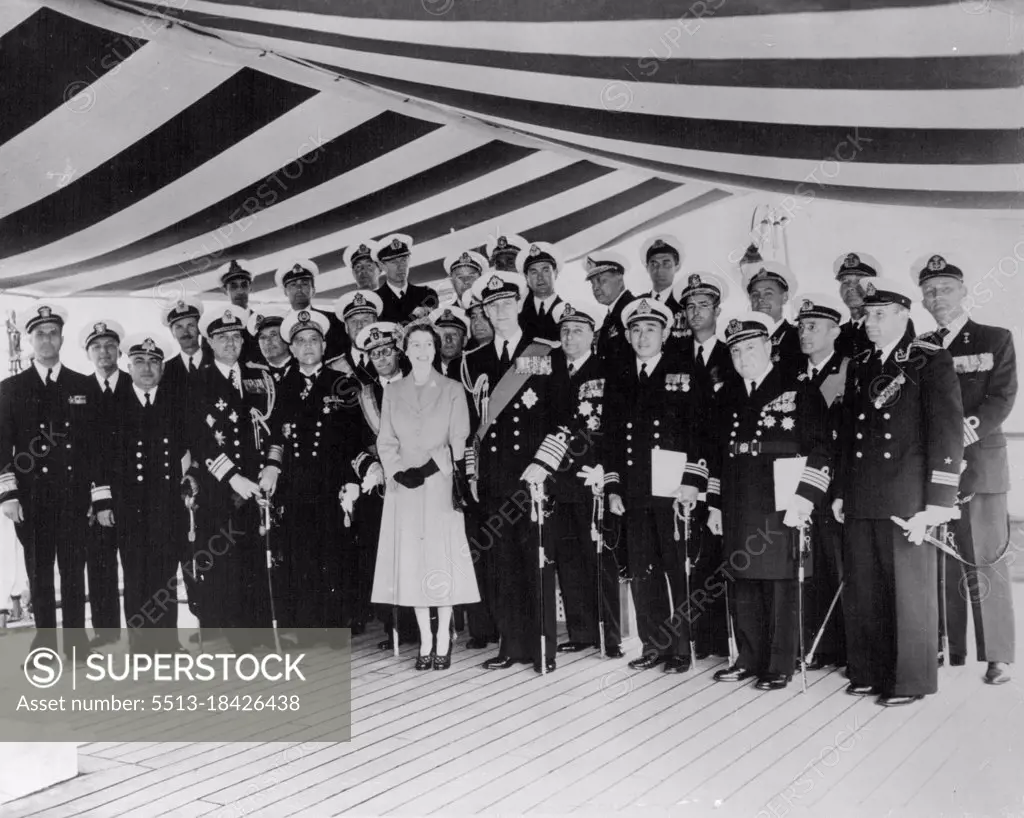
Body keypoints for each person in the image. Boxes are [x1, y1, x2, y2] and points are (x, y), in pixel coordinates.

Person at [833, 277, 963, 706]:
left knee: (908, 593)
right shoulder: (863, 362)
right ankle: (869, 670)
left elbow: (946, 434)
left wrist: (937, 505)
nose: (870, 322)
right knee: (865, 588)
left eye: (880, 314)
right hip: (863, 495)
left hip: (907, 497)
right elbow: (849, 435)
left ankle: (910, 680)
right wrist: (840, 491)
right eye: (868, 314)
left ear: (905, 316)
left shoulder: (929, 360)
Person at [710, 312, 832, 691]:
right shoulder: (727, 393)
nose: (743, 358)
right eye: (735, 352)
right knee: (743, 581)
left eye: (750, 348)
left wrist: (806, 497)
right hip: (738, 502)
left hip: (784, 501)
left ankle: (780, 664)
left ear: (769, 348)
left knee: (781, 583)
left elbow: (822, 449)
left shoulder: (799, 388)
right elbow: (717, 453)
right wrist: (714, 504)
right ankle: (747, 657)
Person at [915, 254, 1016, 685]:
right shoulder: (919, 346)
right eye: (930, 290)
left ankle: (997, 656)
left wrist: (959, 437)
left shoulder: (995, 338)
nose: (937, 296)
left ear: (964, 291)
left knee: (986, 561)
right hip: (935, 472)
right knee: (941, 560)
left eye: (945, 288)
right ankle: (948, 647)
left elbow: (1002, 398)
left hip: (981, 466)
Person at [603, 297, 712, 673]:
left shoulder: (685, 372)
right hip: (634, 491)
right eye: (636, 329)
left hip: (673, 490)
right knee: (642, 571)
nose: (642, 335)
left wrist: (693, 483)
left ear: (665, 333)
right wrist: (613, 487)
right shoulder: (618, 377)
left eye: (650, 328)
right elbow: (611, 439)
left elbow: (702, 432)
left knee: (676, 570)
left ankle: (680, 647)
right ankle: (653, 644)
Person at [461, 270, 559, 673]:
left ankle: (542, 648)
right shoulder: (474, 361)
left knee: (535, 562)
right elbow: (469, 427)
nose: (499, 311)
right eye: (491, 305)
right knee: (502, 566)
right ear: (483, 310)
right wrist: (471, 474)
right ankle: (510, 644)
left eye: (506, 303)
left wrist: (544, 463)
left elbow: (562, 415)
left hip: (532, 476)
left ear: (518, 304)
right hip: (494, 478)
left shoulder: (544, 351)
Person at [372, 323, 479, 670]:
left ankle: (445, 638)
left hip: (438, 486)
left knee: (440, 560)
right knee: (414, 563)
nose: (421, 350)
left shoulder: (451, 389)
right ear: (406, 349)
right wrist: (398, 470)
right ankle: (426, 640)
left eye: (427, 344)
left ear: (435, 349)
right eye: (415, 344)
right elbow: (385, 439)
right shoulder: (393, 391)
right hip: (403, 489)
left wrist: (428, 469)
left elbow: (459, 438)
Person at [522, 302, 624, 659]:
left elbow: (606, 427)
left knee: (598, 559)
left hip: (590, 478)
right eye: (564, 331)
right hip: (555, 481)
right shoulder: (548, 372)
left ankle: (610, 637)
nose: (569, 337)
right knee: (568, 559)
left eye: (577, 330)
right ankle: (581, 632)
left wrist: (606, 471)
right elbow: (538, 421)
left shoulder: (607, 371)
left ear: (592, 336)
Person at [262, 309, 364, 646]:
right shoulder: (280, 387)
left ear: (324, 345)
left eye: (314, 340)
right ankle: (304, 627)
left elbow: (355, 436)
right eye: (301, 341)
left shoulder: (342, 384)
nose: (308, 346)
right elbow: (274, 435)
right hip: (293, 487)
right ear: (291, 348)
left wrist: (351, 479)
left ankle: (334, 626)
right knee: (298, 555)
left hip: (331, 485)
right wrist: (274, 467)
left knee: (333, 554)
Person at [0, 304, 94, 661]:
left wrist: (95, 494)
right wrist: (8, 493)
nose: (46, 339)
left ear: (62, 338)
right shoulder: (11, 388)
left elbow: (94, 446)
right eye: (39, 333)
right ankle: (44, 644)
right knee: (38, 573)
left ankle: (75, 643)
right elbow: (1, 444)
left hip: (72, 496)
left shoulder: (81, 385)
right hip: (32, 498)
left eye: (52, 332)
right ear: (29, 340)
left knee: (73, 571)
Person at [93, 333, 189, 655]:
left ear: (162, 368)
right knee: (135, 576)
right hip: (129, 507)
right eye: (139, 362)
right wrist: (103, 502)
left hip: (167, 504)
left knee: (165, 575)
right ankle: (140, 645)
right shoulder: (112, 404)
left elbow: (187, 452)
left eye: (153, 362)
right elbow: (99, 458)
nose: (146, 368)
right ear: (128, 366)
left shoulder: (175, 404)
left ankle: (168, 641)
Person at [189, 305, 276, 650]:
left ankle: (259, 636)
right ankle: (236, 639)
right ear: (209, 342)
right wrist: (233, 477)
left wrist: (272, 466)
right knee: (227, 566)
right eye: (221, 337)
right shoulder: (197, 383)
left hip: (259, 486)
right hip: (219, 490)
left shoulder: (261, 377)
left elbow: (275, 430)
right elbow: (198, 439)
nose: (230, 343)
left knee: (257, 559)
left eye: (235, 336)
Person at [677, 272, 734, 659]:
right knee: (693, 552)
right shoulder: (675, 355)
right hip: (683, 468)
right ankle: (700, 637)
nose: (696, 312)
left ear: (717, 310)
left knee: (722, 551)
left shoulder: (734, 353)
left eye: (704, 306)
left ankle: (725, 638)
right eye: (690, 306)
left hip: (724, 464)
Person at [796, 294, 850, 670]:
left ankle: (848, 648)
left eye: (813, 326)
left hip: (839, 484)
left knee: (840, 564)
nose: (804, 333)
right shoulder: (792, 375)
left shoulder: (850, 370)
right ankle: (818, 644)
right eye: (801, 326)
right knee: (809, 564)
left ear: (835, 331)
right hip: (801, 482)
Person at [158, 297, 211, 641]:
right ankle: (202, 615)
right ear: (172, 332)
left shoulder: (219, 361)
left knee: (218, 542)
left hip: (221, 467)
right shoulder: (169, 371)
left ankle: (222, 613)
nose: (186, 332)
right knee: (192, 544)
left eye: (191, 325)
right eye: (179, 327)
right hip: (187, 470)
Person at [79, 318, 130, 649]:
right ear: (88, 353)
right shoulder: (76, 391)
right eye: (96, 347)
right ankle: (106, 628)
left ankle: (144, 627)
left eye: (110, 345)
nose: (103, 352)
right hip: (93, 493)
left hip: (134, 490)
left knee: (140, 562)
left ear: (120, 350)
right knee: (99, 561)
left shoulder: (136, 384)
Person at [275, 258, 348, 362]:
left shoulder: (333, 320)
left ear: (313, 290)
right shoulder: (279, 324)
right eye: (293, 285)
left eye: (304, 284)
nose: (299, 288)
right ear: (285, 292)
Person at [743, 261, 802, 374]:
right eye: (755, 295)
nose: (760, 299)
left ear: (784, 297)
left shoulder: (799, 338)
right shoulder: (743, 341)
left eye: (768, 293)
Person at [373, 234, 439, 324]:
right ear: (382, 266)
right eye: (394, 262)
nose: (401, 267)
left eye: (404, 260)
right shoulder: (375, 300)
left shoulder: (426, 294)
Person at [639, 234, 688, 352]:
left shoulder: (685, 304)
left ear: (677, 266)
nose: (659, 269)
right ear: (647, 268)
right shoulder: (637, 303)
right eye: (654, 264)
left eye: (666, 263)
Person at [586, 252, 634, 369]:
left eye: (602, 281)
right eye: (592, 283)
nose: (595, 288)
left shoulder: (632, 311)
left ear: (620, 280)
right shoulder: (612, 313)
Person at [330, 290, 385, 383]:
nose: (359, 326)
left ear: (375, 324)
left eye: (365, 320)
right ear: (346, 328)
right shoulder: (333, 367)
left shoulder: (391, 359)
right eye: (353, 321)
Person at [833, 252, 878, 359]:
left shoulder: (889, 325)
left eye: (858, 281)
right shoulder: (837, 334)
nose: (851, 287)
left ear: (872, 287)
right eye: (845, 282)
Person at [516, 241, 563, 342]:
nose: (540, 277)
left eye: (545, 270)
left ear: (555, 273)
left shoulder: (567, 313)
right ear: (526, 277)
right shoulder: (517, 317)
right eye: (534, 272)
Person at [217, 259, 261, 365]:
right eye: (233, 286)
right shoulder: (216, 324)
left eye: (244, 285)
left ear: (250, 288)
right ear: (224, 290)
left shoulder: (261, 321)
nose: (240, 291)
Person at [246, 307, 294, 383]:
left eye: (273, 335)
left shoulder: (305, 368)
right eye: (262, 337)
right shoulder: (251, 372)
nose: (268, 341)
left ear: (286, 337)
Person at [429, 306, 470, 378]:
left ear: (464, 341)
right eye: (443, 335)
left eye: (454, 334)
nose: (448, 340)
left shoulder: (473, 372)